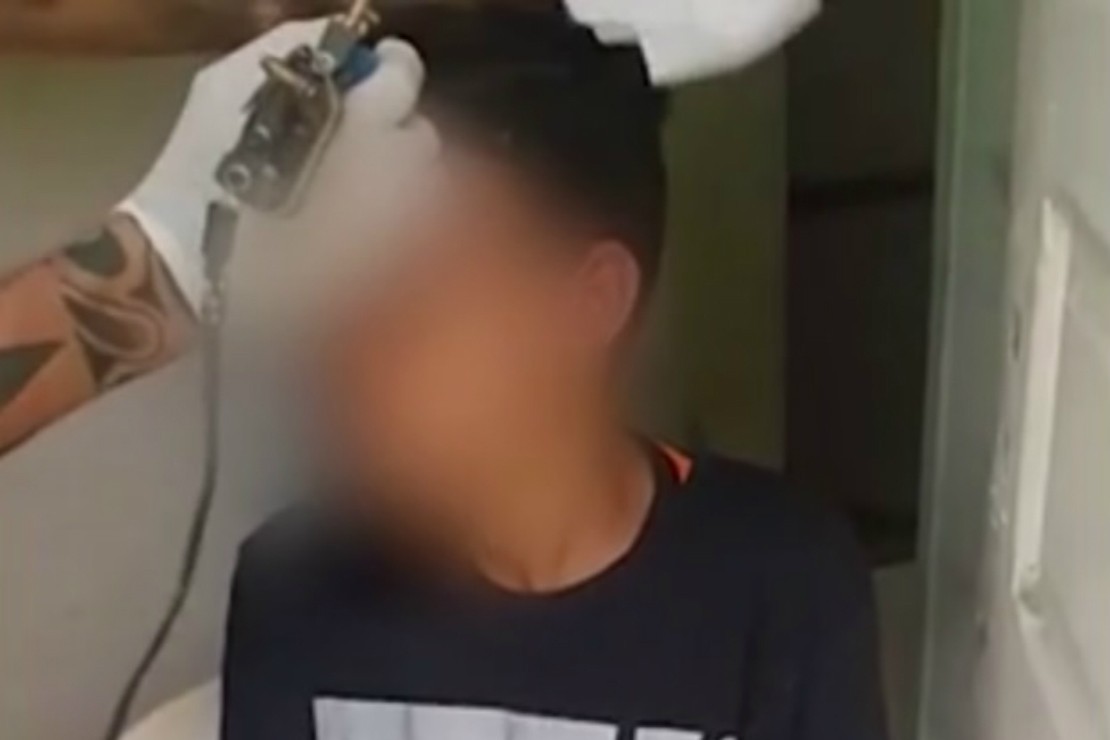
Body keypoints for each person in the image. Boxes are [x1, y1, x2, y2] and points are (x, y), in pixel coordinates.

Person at [217, 6, 886, 740]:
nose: (348, 351)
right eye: (338, 290)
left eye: (411, 295)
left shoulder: (783, 586)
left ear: (591, 302)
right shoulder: (293, 588)